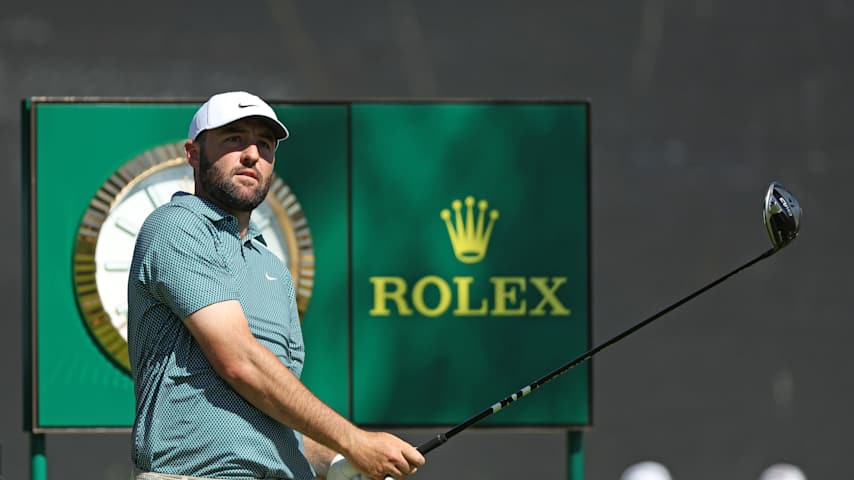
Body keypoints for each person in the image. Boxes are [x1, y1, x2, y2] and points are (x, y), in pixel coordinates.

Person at [128, 91, 425, 480]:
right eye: (234, 139)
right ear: (193, 154)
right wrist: (354, 441)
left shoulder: (273, 269)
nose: (252, 154)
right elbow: (239, 360)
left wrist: (340, 462)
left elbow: (279, 412)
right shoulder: (176, 225)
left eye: (265, 145)